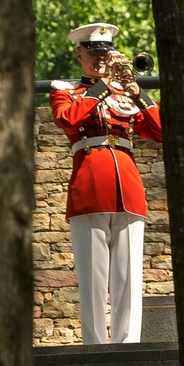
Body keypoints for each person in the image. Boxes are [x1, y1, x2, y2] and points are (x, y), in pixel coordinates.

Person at [50, 22, 162, 344]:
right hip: (90, 189)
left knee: (128, 281)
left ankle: (128, 348)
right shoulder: (66, 89)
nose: (101, 57)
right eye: (94, 51)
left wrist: (136, 92)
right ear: (79, 53)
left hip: (127, 189)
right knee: (93, 282)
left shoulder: (124, 95)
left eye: (106, 51)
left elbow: (161, 132)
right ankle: (95, 351)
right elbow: (68, 119)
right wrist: (102, 88)